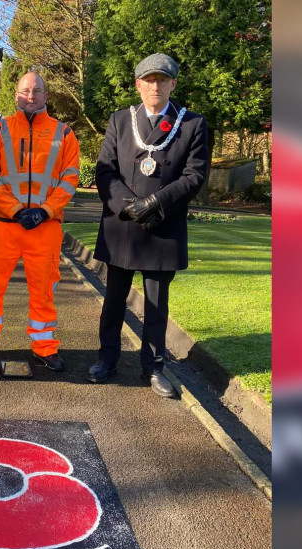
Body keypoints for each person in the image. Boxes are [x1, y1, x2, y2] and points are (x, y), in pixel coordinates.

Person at [88, 53, 209, 397]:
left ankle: (154, 368)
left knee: (156, 303)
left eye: (162, 80)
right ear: (138, 84)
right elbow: (105, 171)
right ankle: (107, 359)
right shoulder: (119, 120)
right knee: (113, 298)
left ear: (173, 83)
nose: (155, 86)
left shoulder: (193, 124)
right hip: (122, 226)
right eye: (149, 80)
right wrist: (130, 207)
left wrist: (155, 203)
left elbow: (195, 175)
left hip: (163, 222)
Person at [0, 72, 80, 370]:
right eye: (25, 90)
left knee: (44, 288)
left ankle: (44, 346)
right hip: (4, 224)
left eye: (37, 91)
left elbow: (69, 180)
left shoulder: (64, 133)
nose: (31, 96)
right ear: (15, 95)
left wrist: (44, 211)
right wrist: (16, 210)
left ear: (45, 97)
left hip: (45, 226)